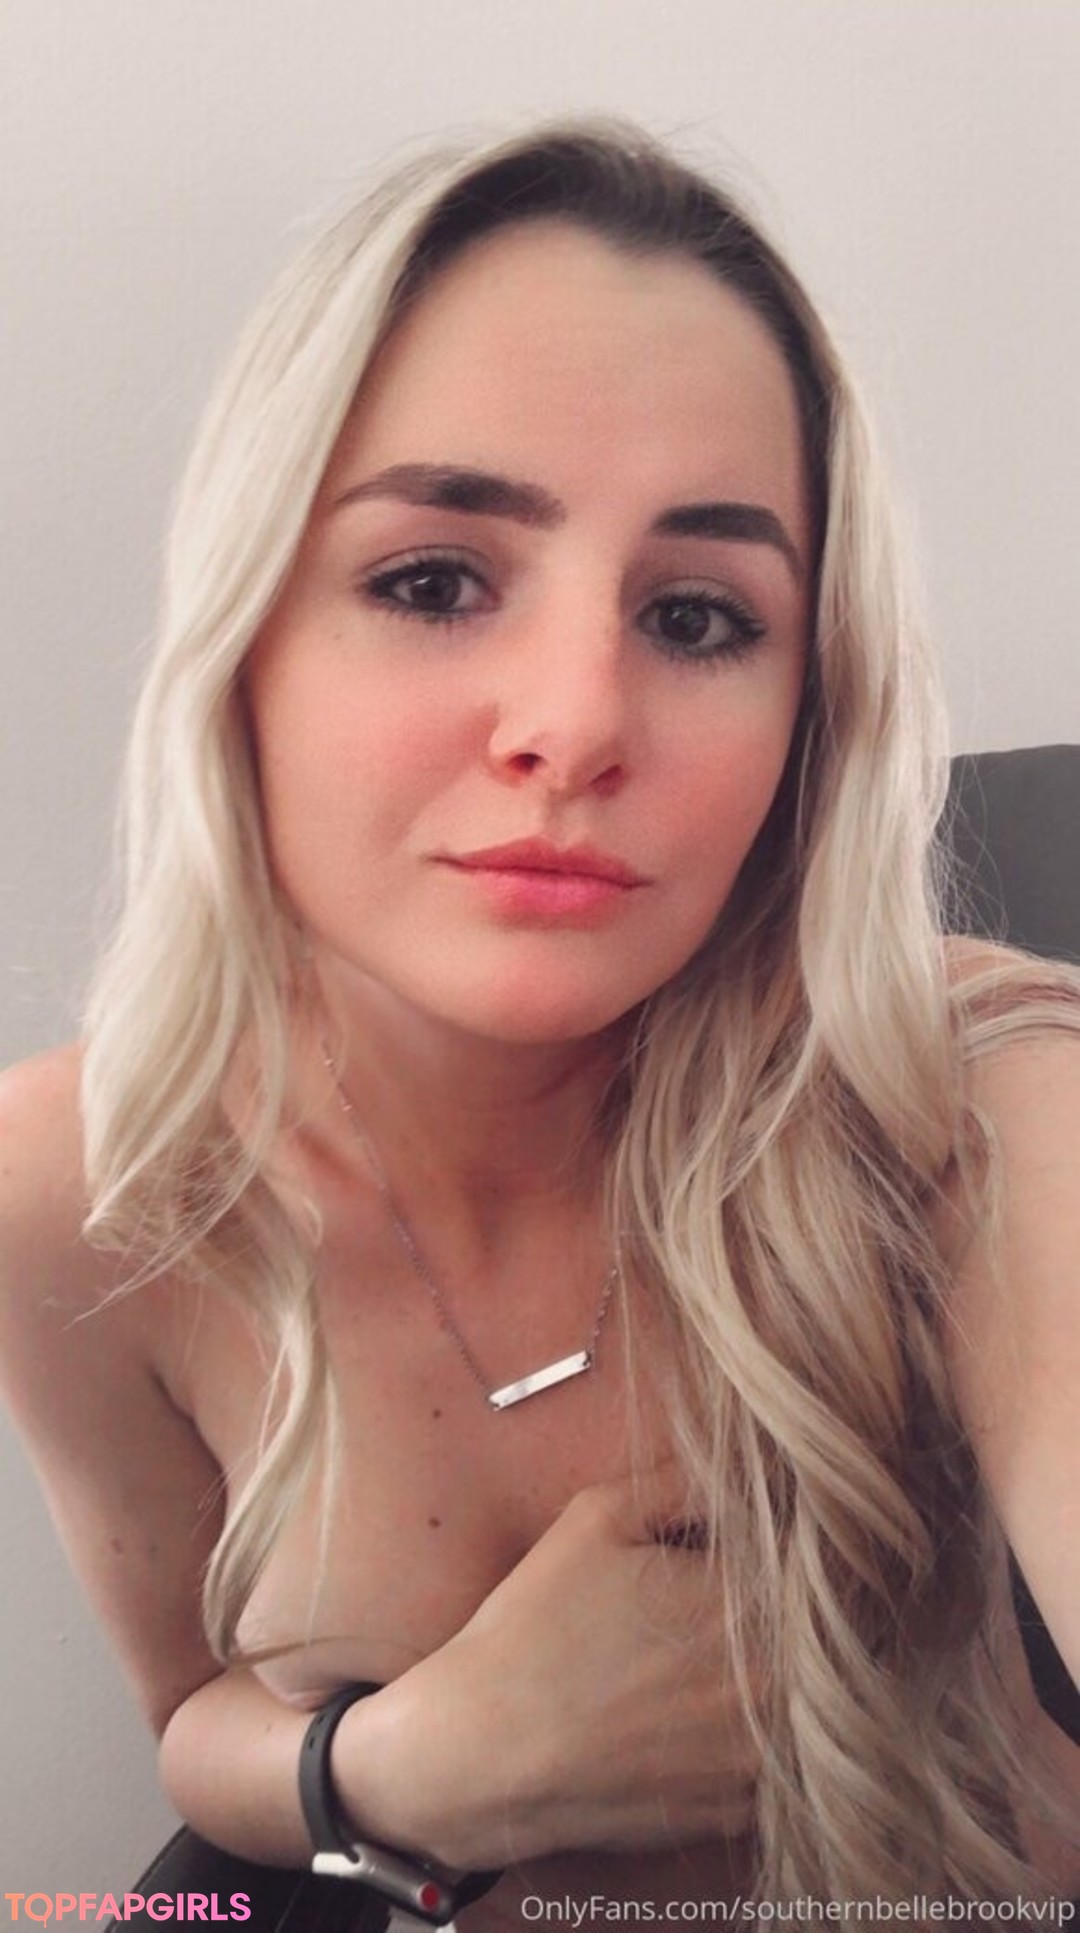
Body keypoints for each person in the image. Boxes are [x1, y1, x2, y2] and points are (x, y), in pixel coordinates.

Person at [1, 119, 1078, 1923]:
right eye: (432, 581)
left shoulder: (966, 1094)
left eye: (698, 615)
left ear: (808, 717)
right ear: (247, 640)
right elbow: (192, 1709)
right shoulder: (72, 1188)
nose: (574, 722)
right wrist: (414, 1766)